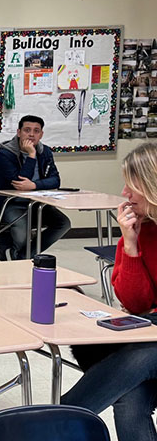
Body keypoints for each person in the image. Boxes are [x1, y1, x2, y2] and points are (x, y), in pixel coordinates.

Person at [61, 142, 157, 441]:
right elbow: (135, 302)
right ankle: (59, 418)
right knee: (130, 397)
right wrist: (130, 245)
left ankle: (58, 418)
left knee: (146, 351)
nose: (125, 194)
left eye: (132, 186)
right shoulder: (141, 231)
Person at [0, 114, 71, 261]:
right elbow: (20, 183)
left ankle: (22, 256)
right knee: (22, 238)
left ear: (41, 134)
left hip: (36, 204)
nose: (31, 134)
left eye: (36, 131)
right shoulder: (5, 153)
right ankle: (9, 249)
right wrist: (31, 155)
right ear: (19, 132)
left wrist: (35, 185)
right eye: (27, 130)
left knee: (63, 223)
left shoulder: (45, 151)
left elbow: (55, 180)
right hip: (11, 203)